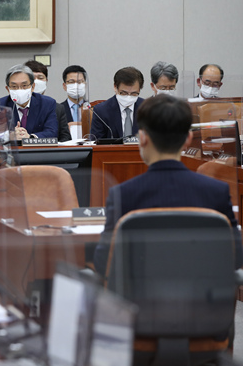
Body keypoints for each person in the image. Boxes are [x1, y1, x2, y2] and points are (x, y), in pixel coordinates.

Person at [93, 94, 243, 276]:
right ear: (188, 139)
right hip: (202, 293)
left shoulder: (122, 195)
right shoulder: (217, 192)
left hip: (142, 294)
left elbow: (104, 263)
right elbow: (236, 257)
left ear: (142, 138)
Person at [0, 64, 58, 140]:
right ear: (8, 89)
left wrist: (30, 137)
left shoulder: (47, 104)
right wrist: (9, 136)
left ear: (33, 87)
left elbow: (52, 132)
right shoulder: (0, 106)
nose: (19, 90)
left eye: (24, 85)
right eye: (14, 86)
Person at [90, 66, 145, 140]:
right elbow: (96, 142)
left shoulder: (148, 109)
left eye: (134, 93)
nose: (128, 97)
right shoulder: (101, 111)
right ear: (115, 87)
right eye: (124, 93)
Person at [25, 60, 70, 142]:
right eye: (32, 78)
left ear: (46, 81)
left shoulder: (58, 108)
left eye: (40, 78)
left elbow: (65, 138)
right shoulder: (15, 106)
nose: (36, 81)